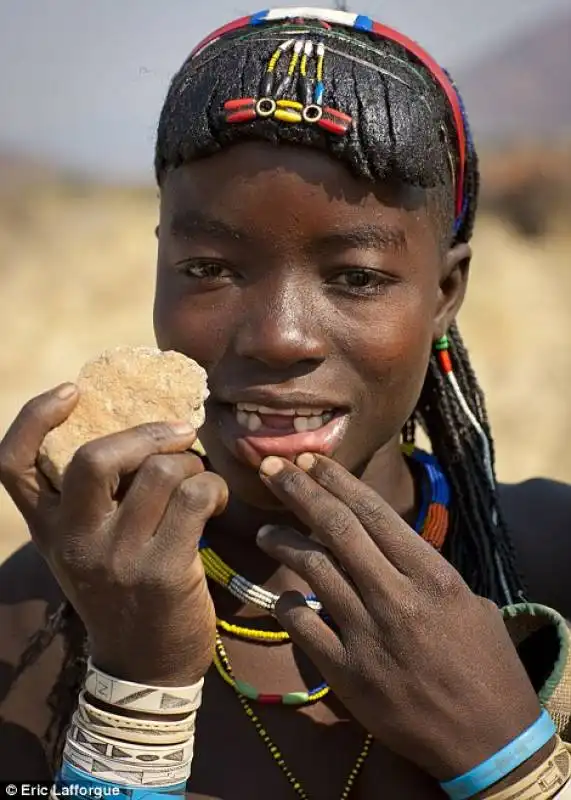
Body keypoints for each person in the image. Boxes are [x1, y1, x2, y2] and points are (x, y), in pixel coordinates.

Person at [1, 7, 571, 799]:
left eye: (356, 277)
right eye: (208, 267)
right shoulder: (34, 616)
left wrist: (508, 756)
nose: (278, 337)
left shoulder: (550, 564)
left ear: (444, 293)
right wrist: (138, 686)